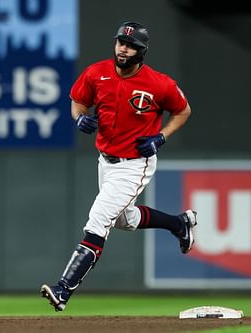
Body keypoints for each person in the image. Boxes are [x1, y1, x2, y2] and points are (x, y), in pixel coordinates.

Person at [40, 21, 197, 311]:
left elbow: (183, 110)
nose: (124, 49)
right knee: (125, 220)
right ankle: (179, 223)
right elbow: (77, 102)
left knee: (98, 219)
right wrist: (79, 118)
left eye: (132, 45)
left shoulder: (159, 83)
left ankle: (64, 290)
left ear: (142, 51)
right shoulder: (96, 73)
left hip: (135, 163)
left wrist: (161, 137)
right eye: (121, 43)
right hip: (106, 160)